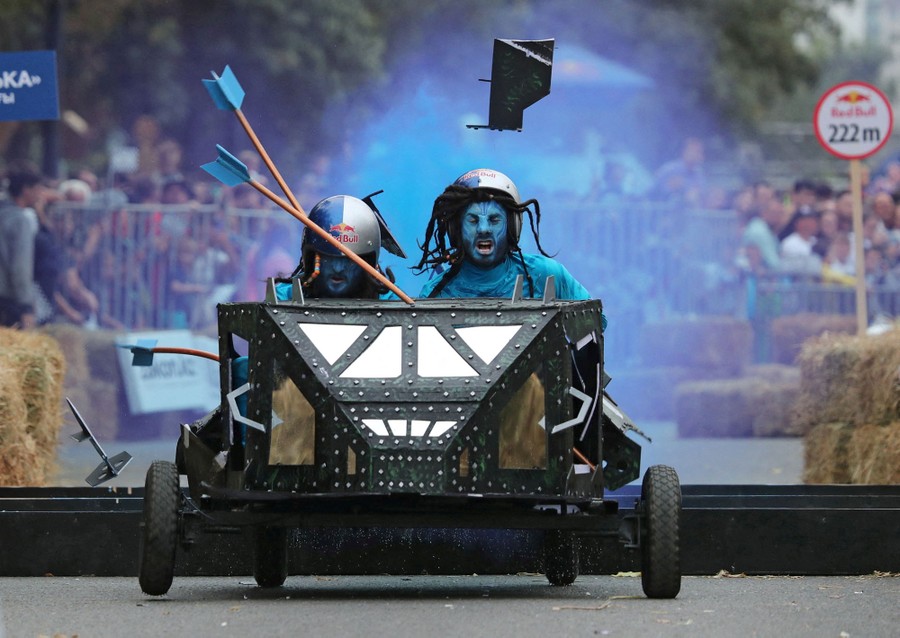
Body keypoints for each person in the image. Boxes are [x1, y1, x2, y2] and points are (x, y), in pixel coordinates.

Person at [415, 168, 594, 305]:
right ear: (456, 228)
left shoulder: (546, 275)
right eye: (473, 220)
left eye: (494, 220)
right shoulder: (435, 293)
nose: (483, 229)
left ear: (512, 225)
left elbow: (594, 322)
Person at [0, 162, 43, 328]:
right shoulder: (20, 220)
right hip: (8, 302)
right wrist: (26, 306)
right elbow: (20, 267)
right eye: (38, 189)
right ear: (26, 190)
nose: (40, 194)